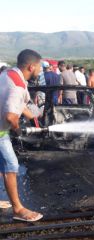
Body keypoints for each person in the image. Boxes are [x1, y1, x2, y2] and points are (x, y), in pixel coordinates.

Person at [0, 49, 43, 222]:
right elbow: (10, 116)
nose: (40, 71)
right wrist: (17, 129)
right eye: (39, 67)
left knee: (2, 164)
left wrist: (31, 116)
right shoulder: (19, 86)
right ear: (31, 67)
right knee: (10, 164)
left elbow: (12, 101)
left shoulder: (8, 73)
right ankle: (18, 209)